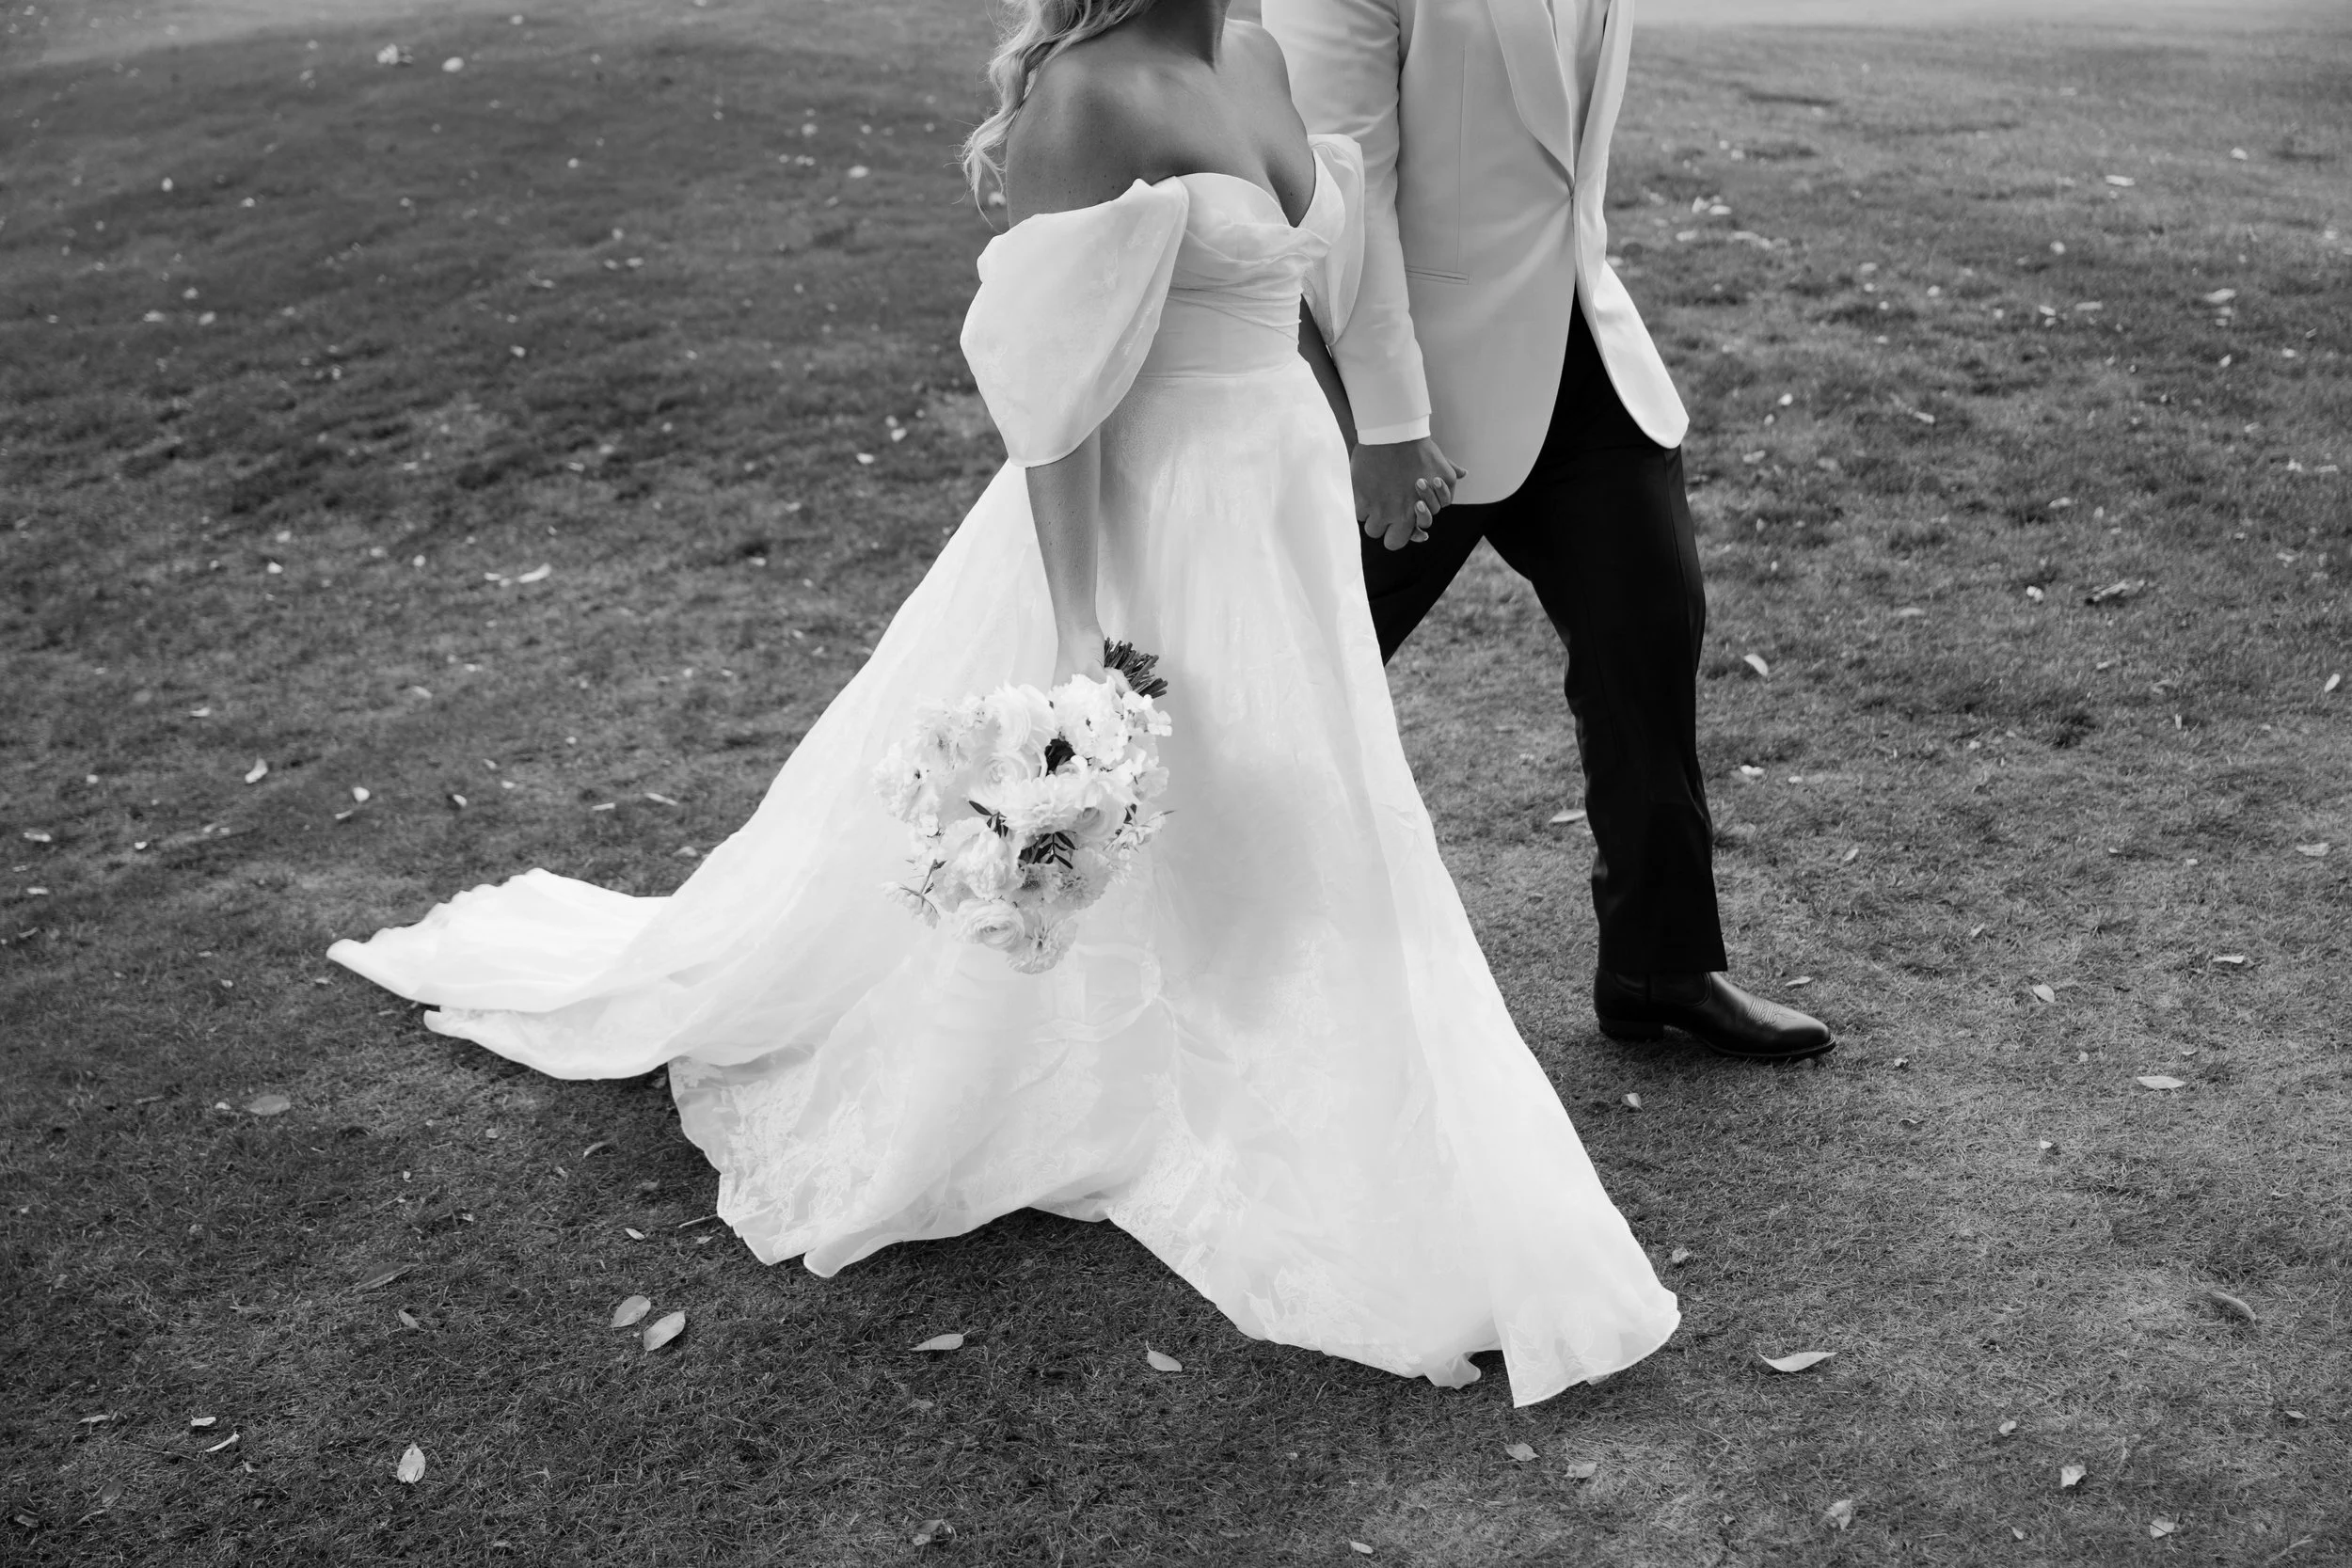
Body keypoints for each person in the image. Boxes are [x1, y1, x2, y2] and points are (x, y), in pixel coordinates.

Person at [328, 0, 1677, 1405]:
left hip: (1279, 506)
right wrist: (1082, 643)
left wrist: (1361, 433)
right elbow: (1053, 402)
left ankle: (1292, 1067)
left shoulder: (1261, 54)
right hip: (1154, 523)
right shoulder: (1087, 100)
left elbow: (1304, 294)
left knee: (1307, 802)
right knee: (1192, 805)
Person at [1261, 0, 1834, 1060]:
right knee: (1280, 673)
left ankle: (1657, 963)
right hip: (1409, 398)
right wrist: (1384, 421)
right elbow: (1339, 187)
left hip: (1585, 362)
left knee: (1649, 634)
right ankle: (1146, 960)